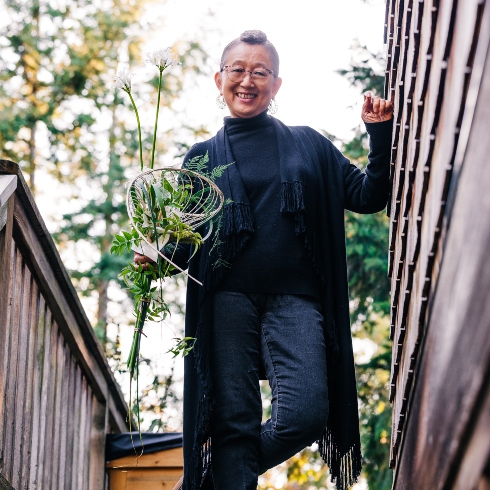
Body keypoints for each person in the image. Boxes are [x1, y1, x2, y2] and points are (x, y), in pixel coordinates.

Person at [135, 30, 393, 490]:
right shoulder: (200, 158)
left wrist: (379, 133)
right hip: (227, 302)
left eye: (260, 71)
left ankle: (208, 482)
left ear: (276, 85)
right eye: (238, 69)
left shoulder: (309, 145)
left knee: (307, 413)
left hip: (297, 301)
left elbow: (369, 195)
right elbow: (188, 237)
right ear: (219, 79)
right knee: (234, 424)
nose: (247, 80)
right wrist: (157, 257)